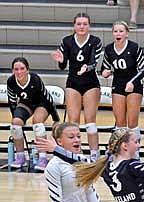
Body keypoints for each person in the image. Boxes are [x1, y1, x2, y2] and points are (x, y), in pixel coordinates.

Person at [51, 12, 102, 162]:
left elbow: (94, 62)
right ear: (74, 26)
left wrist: (87, 67)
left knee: (90, 122)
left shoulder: (95, 41)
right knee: (73, 122)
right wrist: (61, 61)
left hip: (90, 83)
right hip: (73, 83)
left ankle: (94, 155)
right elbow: (63, 65)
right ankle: (73, 155)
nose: (81, 26)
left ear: (89, 26)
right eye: (79, 24)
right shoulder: (67, 41)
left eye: (85, 24)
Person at [101, 21, 144, 149]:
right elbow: (104, 68)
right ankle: (120, 150)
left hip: (134, 85)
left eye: (121, 31)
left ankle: (135, 151)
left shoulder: (134, 48)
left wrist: (132, 82)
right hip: (118, 85)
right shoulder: (109, 49)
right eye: (115, 31)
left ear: (127, 33)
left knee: (132, 123)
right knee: (120, 123)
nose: (118, 33)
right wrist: (105, 72)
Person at [7, 57, 59, 170]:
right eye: (16, 69)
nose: (19, 72)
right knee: (15, 123)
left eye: (22, 68)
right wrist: (17, 118)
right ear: (12, 70)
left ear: (27, 69)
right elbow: (12, 102)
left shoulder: (35, 79)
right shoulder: (11, 81)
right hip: (26, 104)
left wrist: (56, 118)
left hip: (42, 103)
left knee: (37, 121)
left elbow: (47, 98)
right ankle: (20, 157)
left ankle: (42, 158)